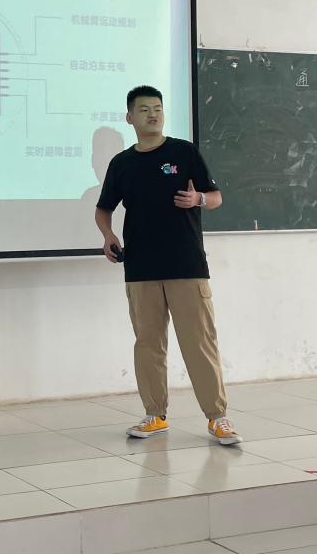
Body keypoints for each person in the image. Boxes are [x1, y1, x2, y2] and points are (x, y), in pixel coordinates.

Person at [94, 85, 241, 446]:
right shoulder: (121, 163)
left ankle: (218, 418)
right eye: (144, 109)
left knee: (199, 342)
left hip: (186, 264)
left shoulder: (183, 152)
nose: (153, 115)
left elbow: (216, 197)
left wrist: (198, 198)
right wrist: (108, 234)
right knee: (148, 344)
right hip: (140, 267)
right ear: (130, 117)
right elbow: (103, 209)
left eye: (157, 108)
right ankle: (155, 414)